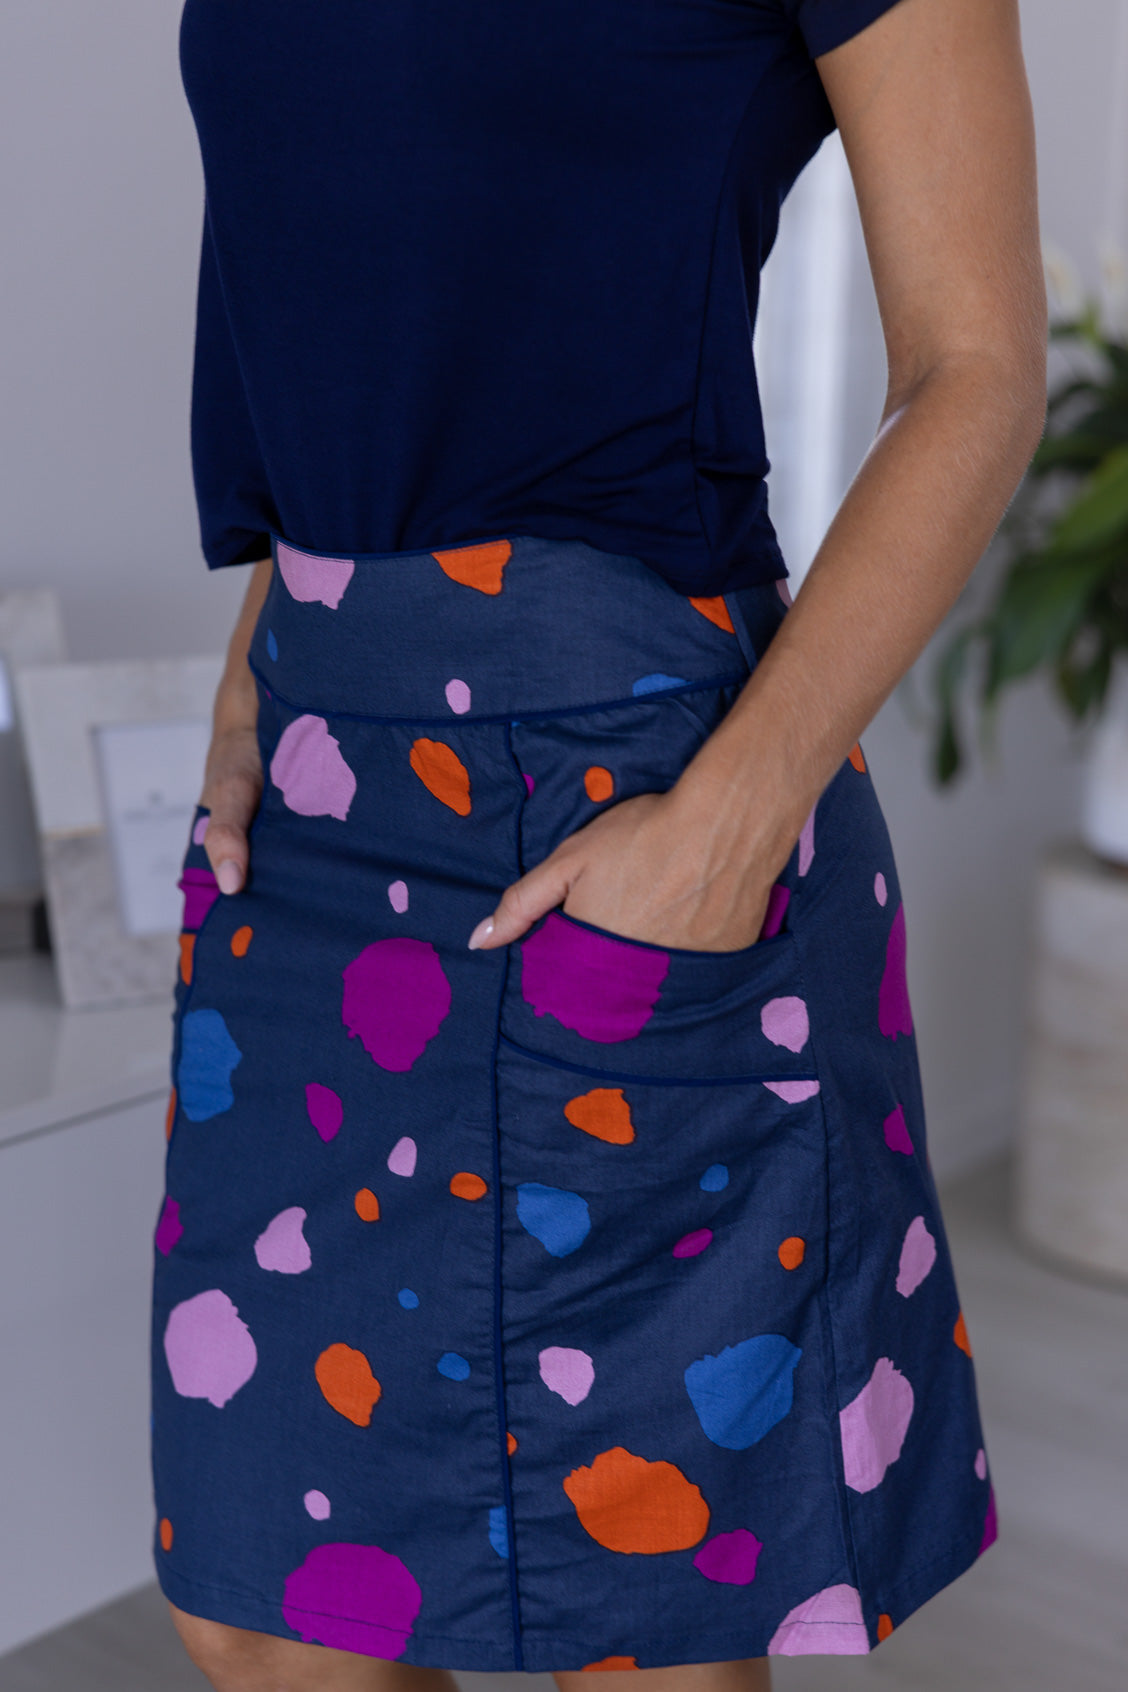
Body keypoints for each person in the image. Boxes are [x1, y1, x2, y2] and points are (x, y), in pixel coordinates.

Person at [152, 1, 1046, 1688]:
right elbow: (358, 266)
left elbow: (980, 365)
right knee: (262, 1611)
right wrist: (264, 634)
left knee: (640, 1625)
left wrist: (726, 826)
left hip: (621, 777)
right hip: (323, 781)